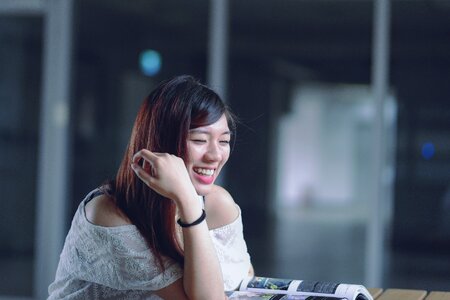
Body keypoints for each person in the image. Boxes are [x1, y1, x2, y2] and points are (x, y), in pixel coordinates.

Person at [48, 75, 253, 299]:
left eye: (223, 141)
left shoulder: (219, 203)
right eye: (199, 140)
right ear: (161, 144)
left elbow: (246, 281)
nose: (215, 155)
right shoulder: (107, 213)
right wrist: (187, 200)